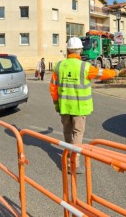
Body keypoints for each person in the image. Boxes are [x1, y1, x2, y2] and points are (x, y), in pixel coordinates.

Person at [49, 37, 119, 173]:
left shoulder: (58, 66)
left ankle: (68, 157)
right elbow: (102, 73)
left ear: (68, 50)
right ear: (80, 50)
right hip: (79, 108)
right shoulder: (85, 67)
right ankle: (73, 164)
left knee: (67, 132)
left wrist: (57, 105)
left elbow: (53, 88)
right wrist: (116, 72)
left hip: (64, 107)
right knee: (77, 134)